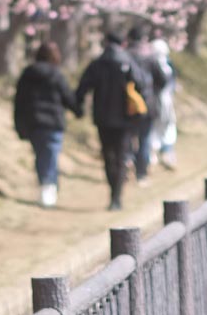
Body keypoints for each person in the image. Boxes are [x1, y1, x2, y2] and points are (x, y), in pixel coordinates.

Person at [75, 30, 157, 211]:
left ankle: (114, 190)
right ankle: (116, 196)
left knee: (108, 155)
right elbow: (142, 84)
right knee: (121, 155)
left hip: (102, 117)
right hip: (126, 117)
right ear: (123, 44)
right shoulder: (128, 62)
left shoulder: (98, 64)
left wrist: (78, 108)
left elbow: (82, 88)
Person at [13, 42, 80, 208]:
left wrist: (19, 124)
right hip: (53, 121)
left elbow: (19, 101)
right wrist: (78, 110)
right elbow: (67, 96)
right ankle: (48, 187)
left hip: (34, 122)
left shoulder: (27, 74)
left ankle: (47, 185)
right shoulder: (56, 74)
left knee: (41, 155)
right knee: (50, 154)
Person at [126, 27, 170, 184]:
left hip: (128, 104)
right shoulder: (150, 57)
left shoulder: (125, 56)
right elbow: (163, 80)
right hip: (148, 103)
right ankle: (141, 174)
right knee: (144, 138)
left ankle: (128, 160)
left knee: (129, 136)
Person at [146, 38, 178, 171]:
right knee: (156, 128)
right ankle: (153, 155)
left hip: (164, 101)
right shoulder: (153, 64)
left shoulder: (166, 63)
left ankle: (165, 152)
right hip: (156, 102)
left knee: (167, 126)